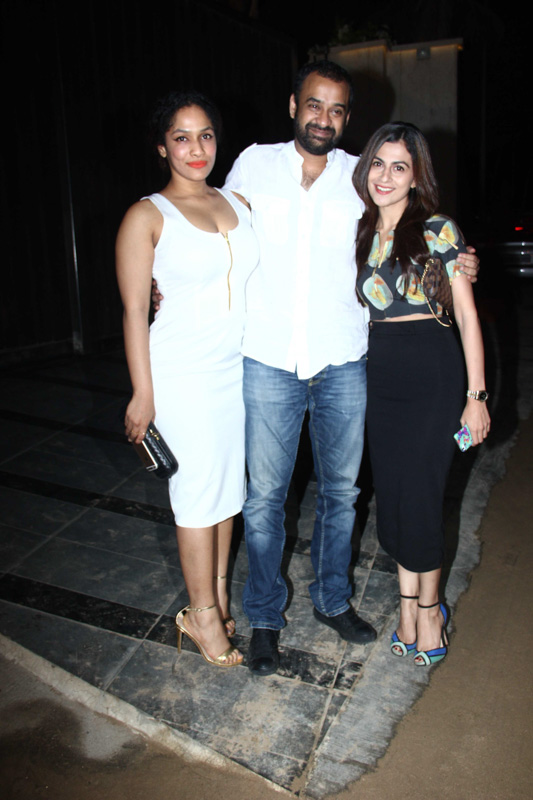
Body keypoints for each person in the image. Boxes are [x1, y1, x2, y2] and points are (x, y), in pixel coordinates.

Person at [152, 62, 480, 676]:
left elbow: (406, 230)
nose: (323, 118)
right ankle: (265, 617)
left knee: (342, 494)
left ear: (346, 118)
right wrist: (159, 272)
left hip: (344, 359)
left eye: (336, 109)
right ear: (293, 105)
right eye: (314, 105)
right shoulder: (252, 165)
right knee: (265, 499)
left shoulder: (361, 178)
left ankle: (332, 600)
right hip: (268, 358)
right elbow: (209, 222)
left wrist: (459, 260)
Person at [116, 91, 259, 668]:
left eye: (205, 135)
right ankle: (200, 616)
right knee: (198, 496)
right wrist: (142, 393)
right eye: (181, 137)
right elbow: (135, 311)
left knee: (227, 494)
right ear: (162, 147)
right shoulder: (147, 216)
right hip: (182, 373)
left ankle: (217, 600)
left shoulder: (238, 202)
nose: (196, 148)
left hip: (236, 368)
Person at [353, 122, 490, 666]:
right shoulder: (361, 231)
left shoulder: (438, 229)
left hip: (433, 375)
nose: (385, 176)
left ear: (416, 177)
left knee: (423, 498)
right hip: (381, 377)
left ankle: (430, 611)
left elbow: (468, 317)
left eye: (400, 167)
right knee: (394, 498)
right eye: (378, 164)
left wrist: (476, 397)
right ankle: (407, 606)